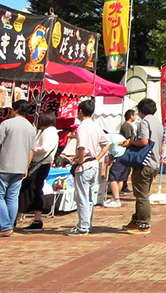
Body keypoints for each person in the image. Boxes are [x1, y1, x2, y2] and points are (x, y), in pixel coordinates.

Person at [0, 99, 36, 238]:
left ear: (16, 109)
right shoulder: (31, 127)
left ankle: (5, 226)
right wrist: (26, 166)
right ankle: (10, 224)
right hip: (20, 167)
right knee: (12, 197)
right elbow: (31, 151)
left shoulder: (7, 124)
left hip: (4, 166)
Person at [63, 100, 110, 235]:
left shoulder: (82, 127)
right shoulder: (96, 126)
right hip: (93, 164)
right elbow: (107, 143)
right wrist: (97, 157)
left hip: (84, 165)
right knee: (89, 198)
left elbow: (82, 146)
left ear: (80, 111)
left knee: (82, 197)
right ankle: (86, 224)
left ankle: (83, 226)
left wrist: (79, 159)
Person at [123, 98, 162, 235]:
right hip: (154, 163)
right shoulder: (158, 122)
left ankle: (144, 223)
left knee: (141, 195)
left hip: (145, 163)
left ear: (141, 110)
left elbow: (144, 141)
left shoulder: (145, 122)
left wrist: (131, 143)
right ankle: (137, 219)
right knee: (141, 193)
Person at [19, 111, 58, 230]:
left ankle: (33, 218)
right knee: (35, 190)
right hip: (44, 164)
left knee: (30, 190)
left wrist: (32, 150)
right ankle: (36, 219)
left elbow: (45, 148)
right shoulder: (53, 131)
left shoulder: (47, 132)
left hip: (39, 164)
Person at [106, 109, 137, 207]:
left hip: (122, 154)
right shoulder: (126, 126)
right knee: (119, 178)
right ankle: (116, 197)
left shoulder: (126, 127)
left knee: (114, 177)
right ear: (131, 116)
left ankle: (116, 199)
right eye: (134, 115)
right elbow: (127, 140)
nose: (135, 117)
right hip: (125, 153)